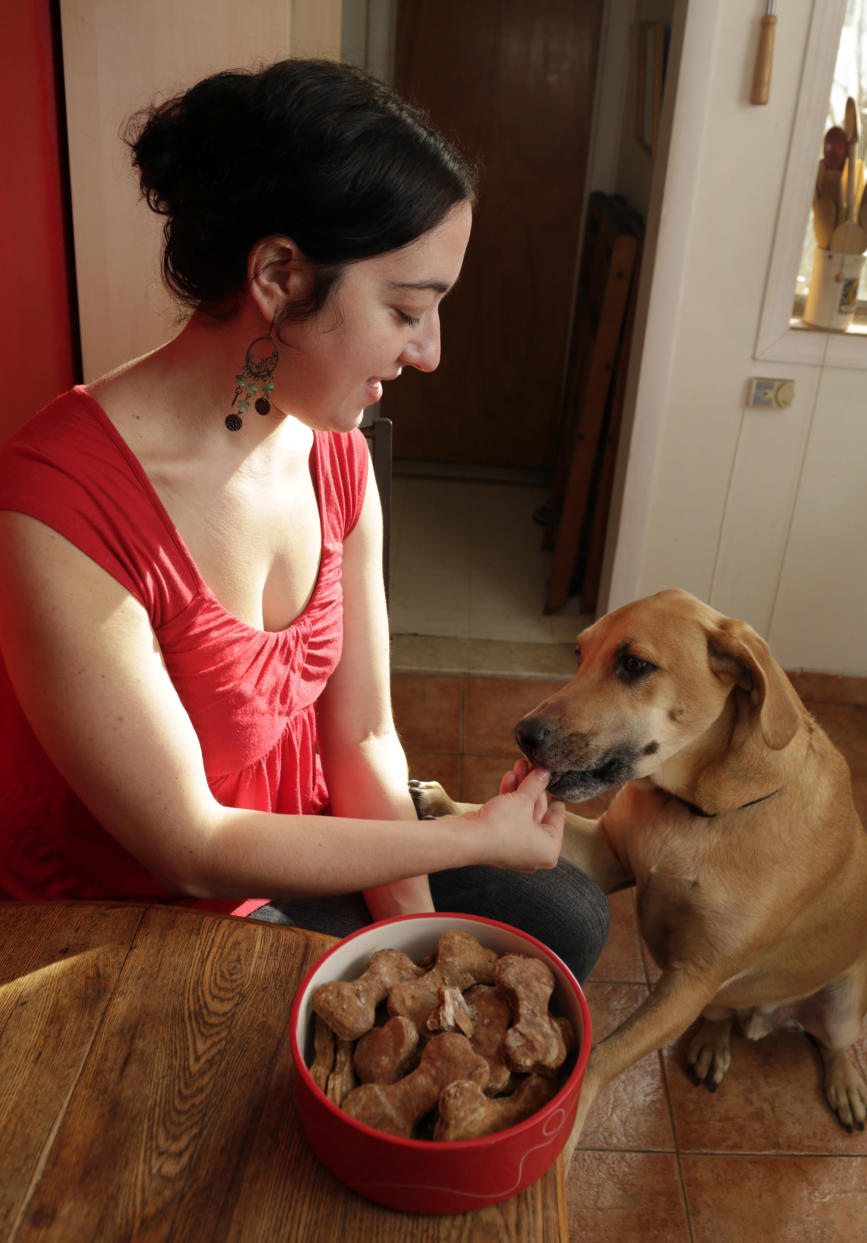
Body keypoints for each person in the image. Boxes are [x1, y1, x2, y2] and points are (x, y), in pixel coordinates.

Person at [0, 59, 609, 980]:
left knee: (568, 913)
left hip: (291, 839)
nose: (430, 352)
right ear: (281, 275)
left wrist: (419, 960)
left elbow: (362, 742)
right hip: (132, 911)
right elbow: (189, 845)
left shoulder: (337, 458)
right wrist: (471, 836)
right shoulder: (56, 508)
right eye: (408, 309)